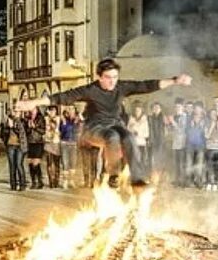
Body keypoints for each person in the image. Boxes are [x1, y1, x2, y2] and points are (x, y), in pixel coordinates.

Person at [30, 59, 192, 190]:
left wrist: (175, 80)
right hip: (94, 129)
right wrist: (34, 102)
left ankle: (137, 179)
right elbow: (64, 96)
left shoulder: (121, 87)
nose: (112, 81)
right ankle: (112, 174)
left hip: (115, 125)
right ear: (99, 77)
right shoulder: (91, 89)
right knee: (112, 136)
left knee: (127, 136)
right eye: (108, 77)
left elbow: (146, 85)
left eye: (115, 77)